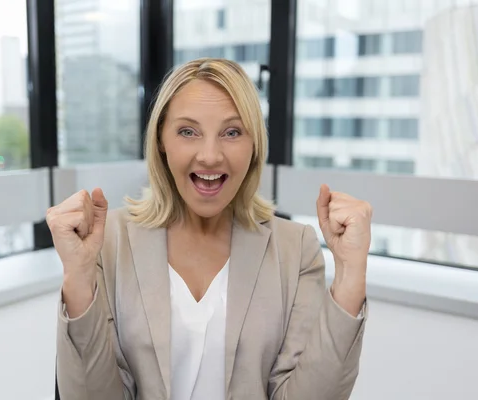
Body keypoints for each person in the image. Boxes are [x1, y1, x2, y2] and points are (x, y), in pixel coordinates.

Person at [47, 58, 370, 400]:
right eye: (188, 131)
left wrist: (351, 274)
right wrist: (79, 278)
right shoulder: (109, 241)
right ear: (161, 140)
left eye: (232, 132)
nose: (210, 156)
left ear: (254, 144)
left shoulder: (295, 248)